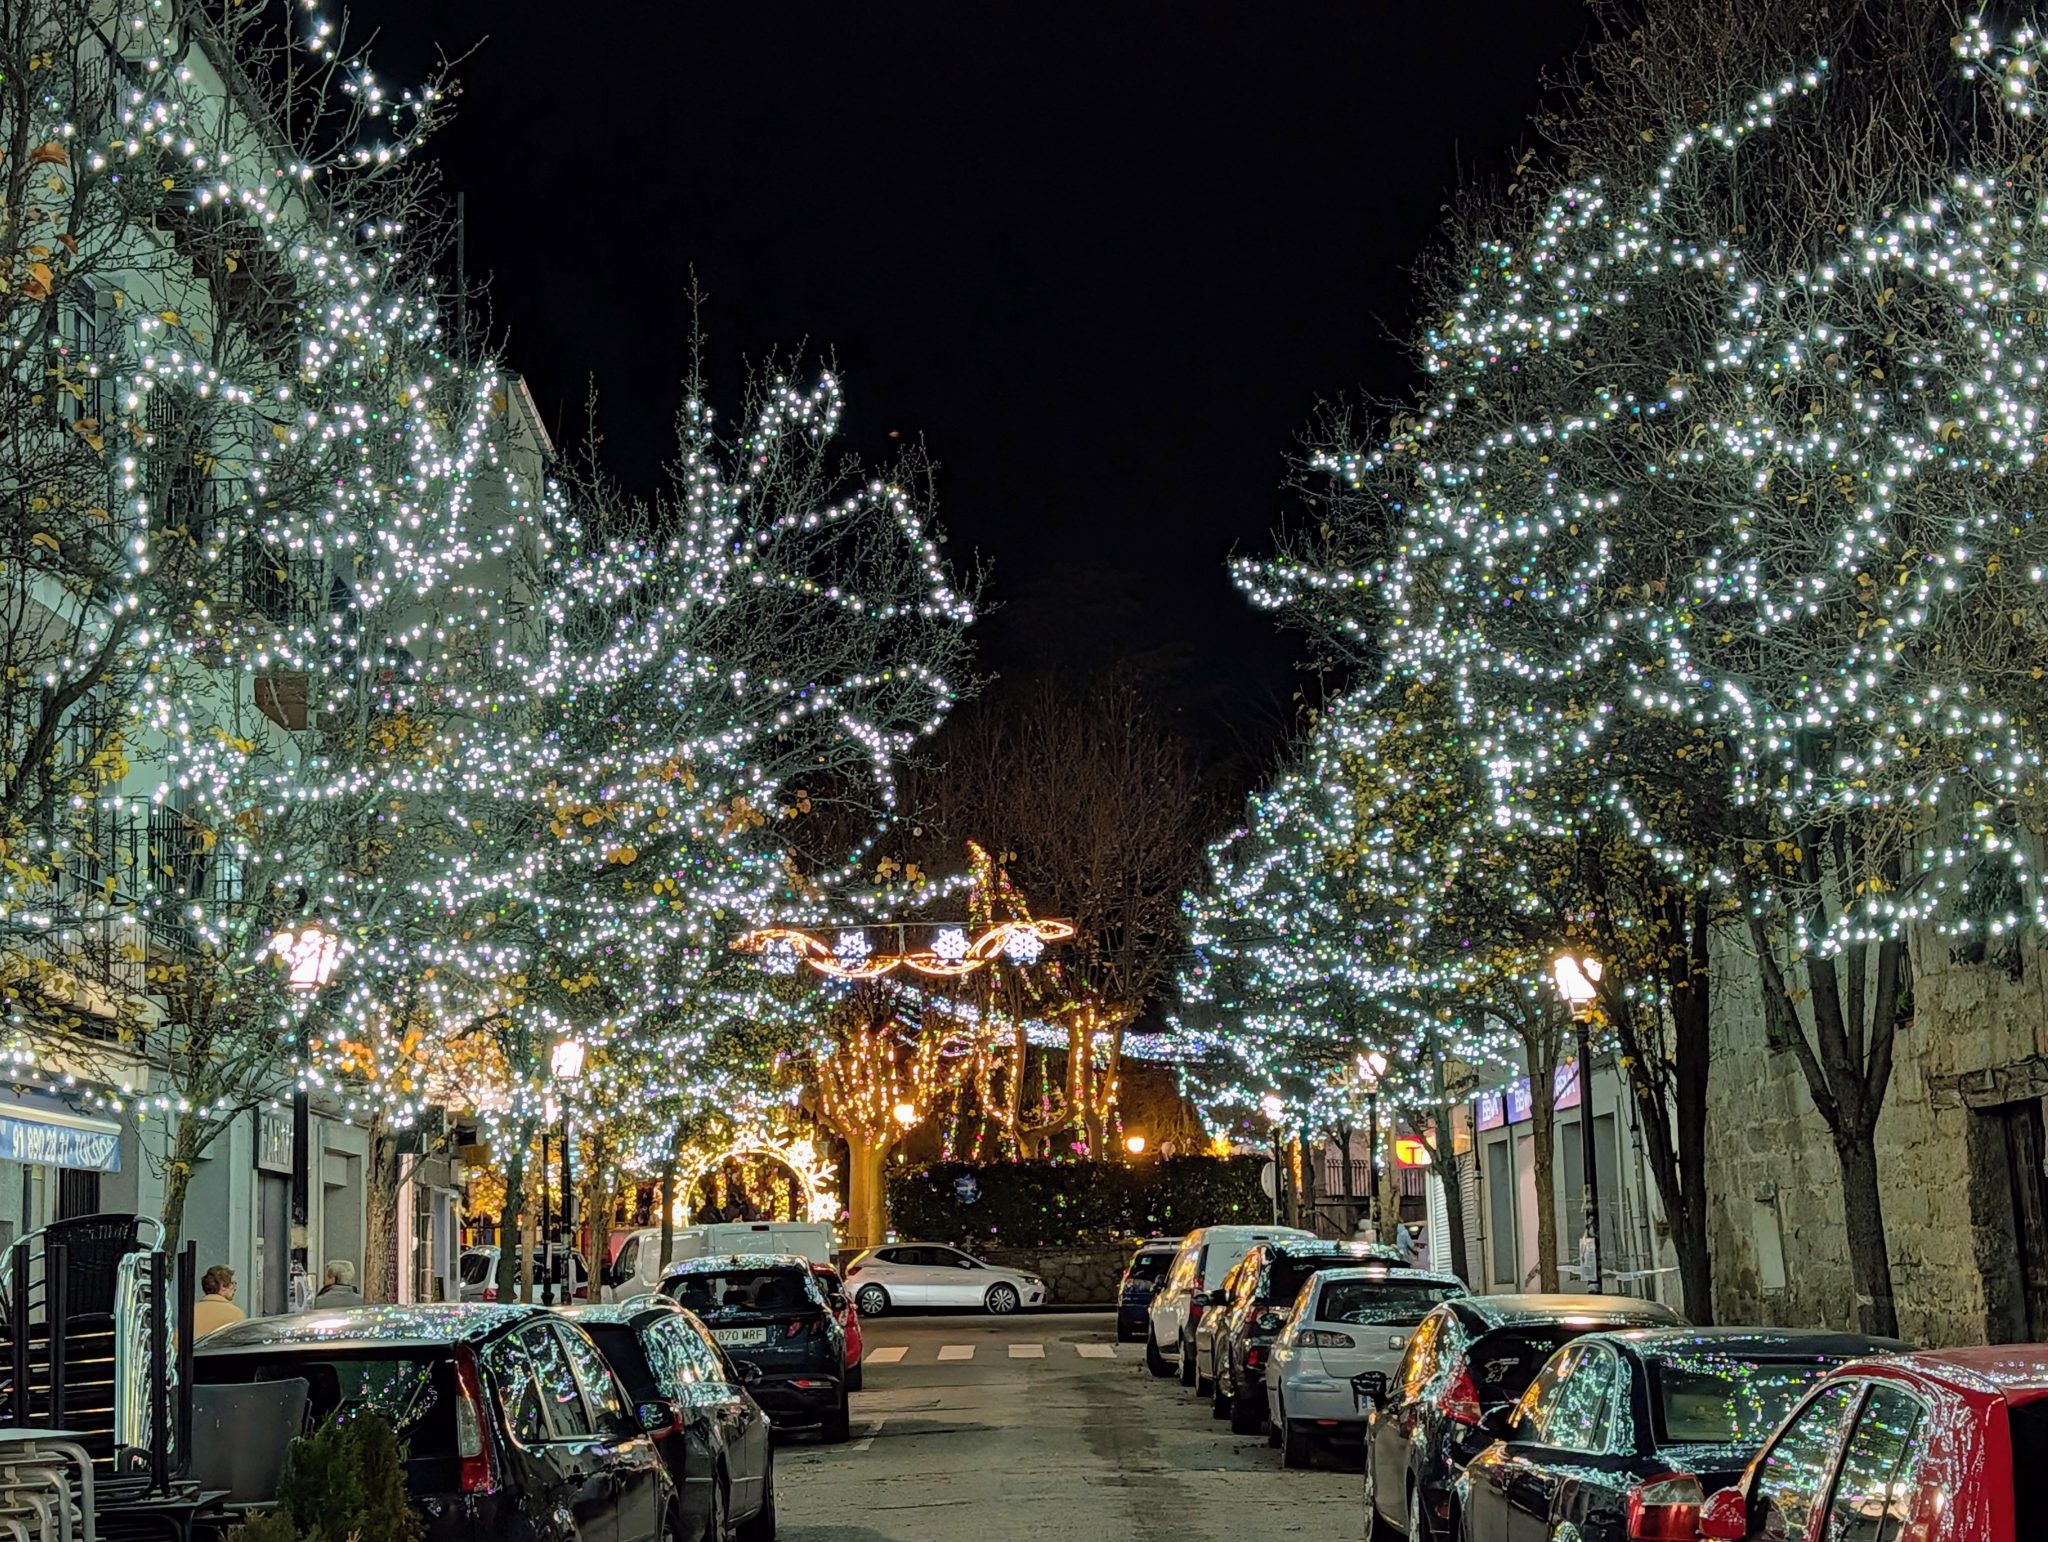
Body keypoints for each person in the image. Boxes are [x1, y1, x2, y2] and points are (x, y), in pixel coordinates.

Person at [193, 1265, 244, 1336]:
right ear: (222, 1286)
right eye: (232, 1283)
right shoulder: (235, 1314)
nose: (234, 1288)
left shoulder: (192, 1311)